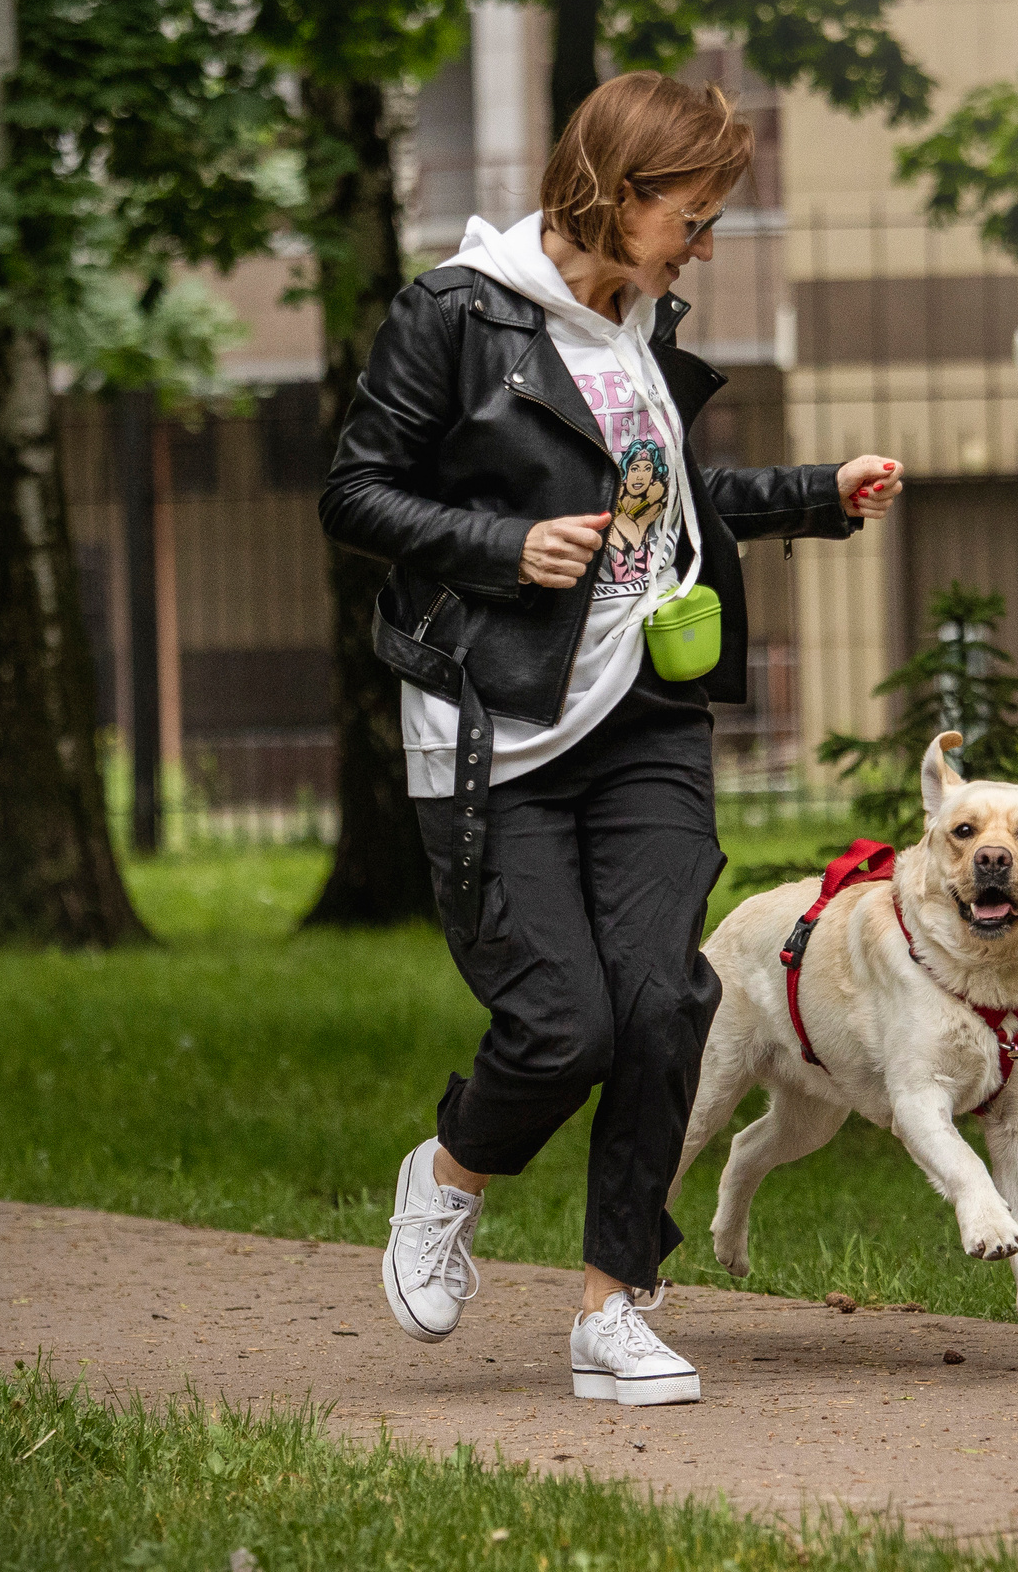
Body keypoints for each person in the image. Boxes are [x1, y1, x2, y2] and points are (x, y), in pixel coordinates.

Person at [319, 71, 902, 1406]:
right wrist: (503, 544)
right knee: (561, 1025)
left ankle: (615, 1304)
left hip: (640, 717)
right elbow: (355, 490)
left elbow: (669, 510)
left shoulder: (638, 330)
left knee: (665, 1004)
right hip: (500, 728)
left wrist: (821, 492)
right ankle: (449, 1174)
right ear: (615, 193)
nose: (702, 246)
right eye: (689, 218)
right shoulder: (457, 317)